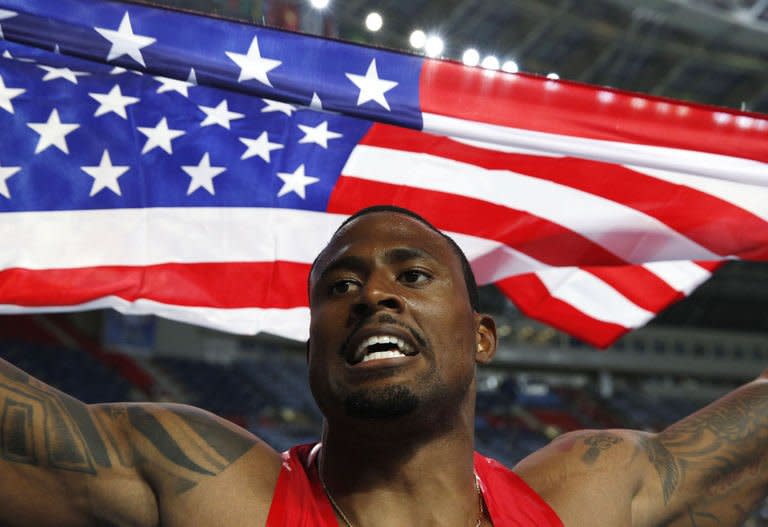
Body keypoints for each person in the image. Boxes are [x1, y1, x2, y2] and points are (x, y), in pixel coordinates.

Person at [0, 205, 766, 527]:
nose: (372, 295)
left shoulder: (583, 495)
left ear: (482, 337)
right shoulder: (213, 493)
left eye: (413, 274)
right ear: (312, 351)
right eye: (339, 286)